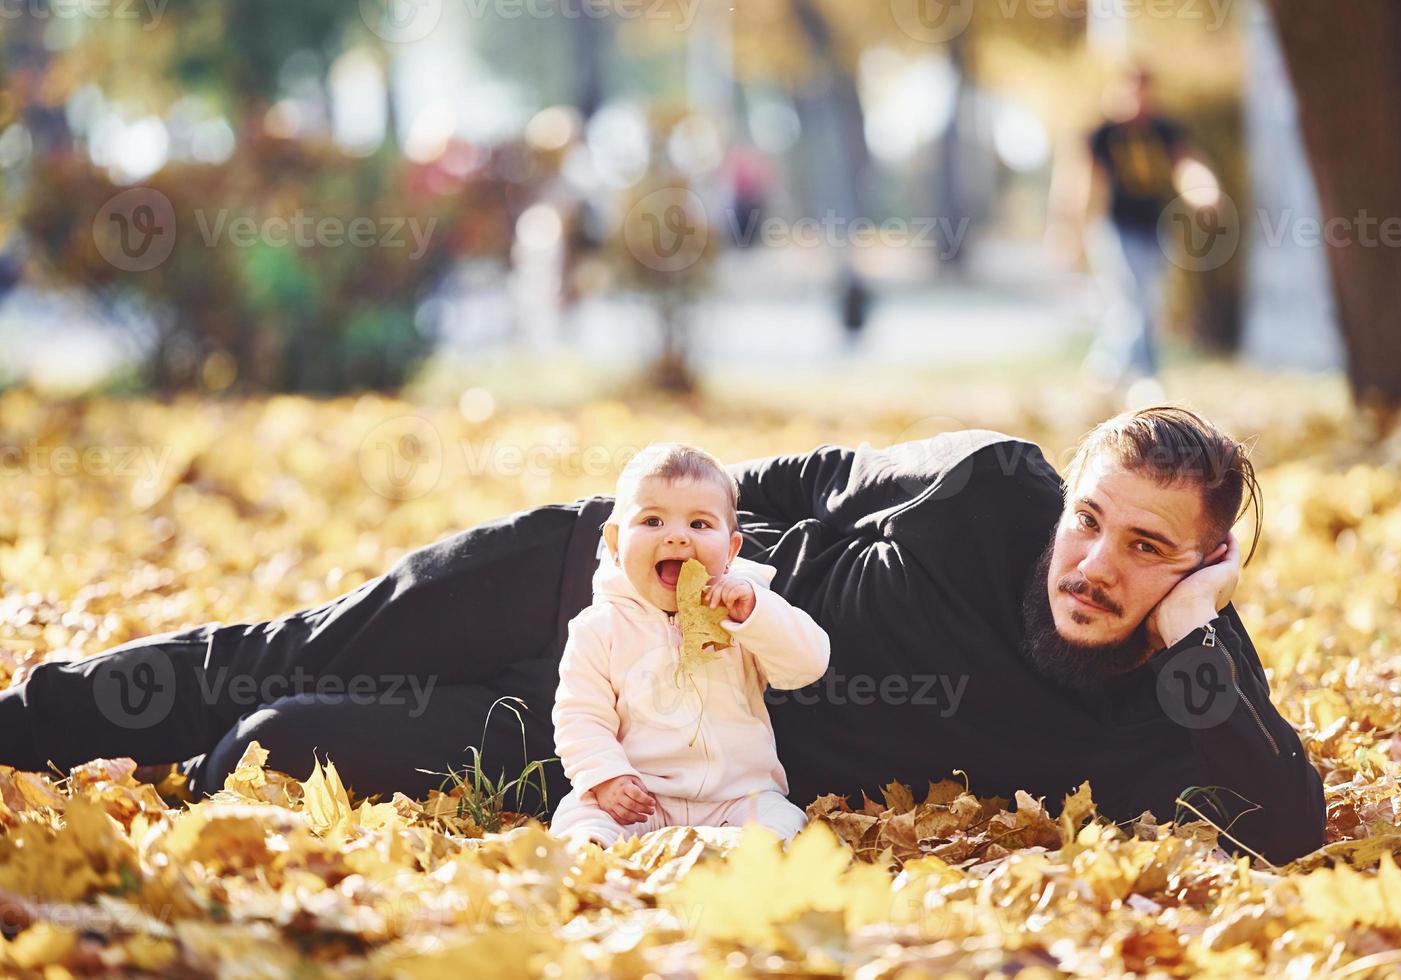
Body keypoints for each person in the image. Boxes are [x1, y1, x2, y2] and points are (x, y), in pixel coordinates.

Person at [0, 407, 1326, 864]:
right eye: (1092, 520)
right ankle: (31, 727)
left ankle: (188, 776)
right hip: (592, 584)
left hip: (647, 749)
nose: (1094, 563)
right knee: (301, 648)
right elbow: (808, 475)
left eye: (1148, 549)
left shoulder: (1180, 686)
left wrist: (1198, 641)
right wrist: (683, 542)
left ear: (1204, 566)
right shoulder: (991, 482)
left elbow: (1285, 820)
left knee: (291, 738)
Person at [549, 444, 829, 846]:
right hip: (640, 799)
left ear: (731, 550)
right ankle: (592, 851)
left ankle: (743, 853)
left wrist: (755, 614)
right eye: (652, 520)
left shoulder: (742, 612)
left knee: (780, 820)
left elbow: (808, 665)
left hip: (736, 797)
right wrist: (606, 776)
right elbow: (581, 715)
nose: (677, 537)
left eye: (699, 525)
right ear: (615, 543)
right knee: (580, 813)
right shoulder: (599, 627)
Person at [1049, 65, 1221, 389]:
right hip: (1115, 228)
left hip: (1155, 228)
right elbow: (1080, 185)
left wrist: (1204, 193)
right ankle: (1145, 376)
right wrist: (1067, 231)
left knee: (1144, 303)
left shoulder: (1164, 130)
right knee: (1132, 299)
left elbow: (1188, 166)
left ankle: (1103, 370)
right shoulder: (1103, 135)